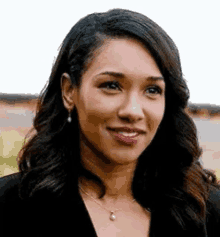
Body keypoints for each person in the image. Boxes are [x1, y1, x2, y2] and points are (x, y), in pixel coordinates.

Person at [0, 8, 220, 237]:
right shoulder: (11, 208)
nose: (133, 111)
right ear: (69, 91)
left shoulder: (205, 211)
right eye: (112, 85)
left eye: (152, 90)